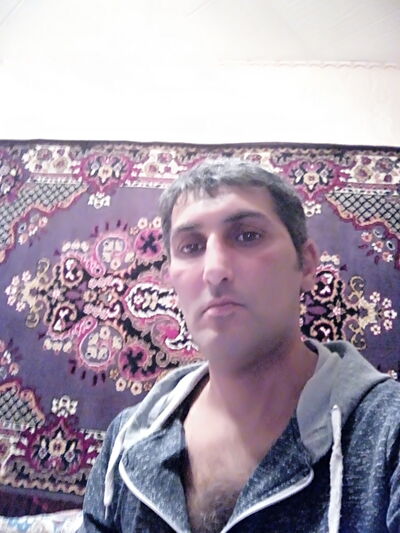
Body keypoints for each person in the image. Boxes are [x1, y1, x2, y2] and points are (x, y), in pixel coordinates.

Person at [79, 159, 400, 533]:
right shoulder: (127, 438)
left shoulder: (388, 434)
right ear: (171, 281)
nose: (214, 269)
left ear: (307, 265)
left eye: (248, 236)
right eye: (191, 246)